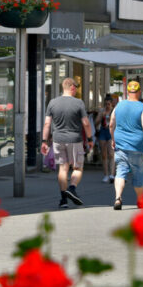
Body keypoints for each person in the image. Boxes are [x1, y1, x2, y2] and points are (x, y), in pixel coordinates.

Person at [41, 77, 93, 208]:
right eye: (76, 88)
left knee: (63, 169)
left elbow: (47, 123)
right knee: (77, 167)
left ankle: (63, 199)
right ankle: (72, 188)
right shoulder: (78, 103)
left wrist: (44, 141)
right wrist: (90, 139)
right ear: (72, 88)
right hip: (75, 139)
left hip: (58, 139)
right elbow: (86, 123)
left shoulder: (52, 102)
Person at [109, 80, 143, 210]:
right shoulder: (142, 107)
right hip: (137, 146)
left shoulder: (119, 105)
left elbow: (111, 123)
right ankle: (140, 200)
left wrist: (113, 138)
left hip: (120, 144)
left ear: (128, 92)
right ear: (139, 92)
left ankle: (118, 197)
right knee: (138, 174)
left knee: (120, 172)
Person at [94, 96, 115, 183]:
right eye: (106, 104)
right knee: (104, 154)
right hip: (103, 131)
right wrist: (100, 117)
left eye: (108, 104)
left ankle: (112, 174)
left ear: (111, 104)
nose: (107, 106)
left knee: (111, 153)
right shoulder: (102, 111)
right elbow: (96, 123)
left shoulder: (114, 111)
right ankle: (106, 175)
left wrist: (111, 120)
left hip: (111, 132)